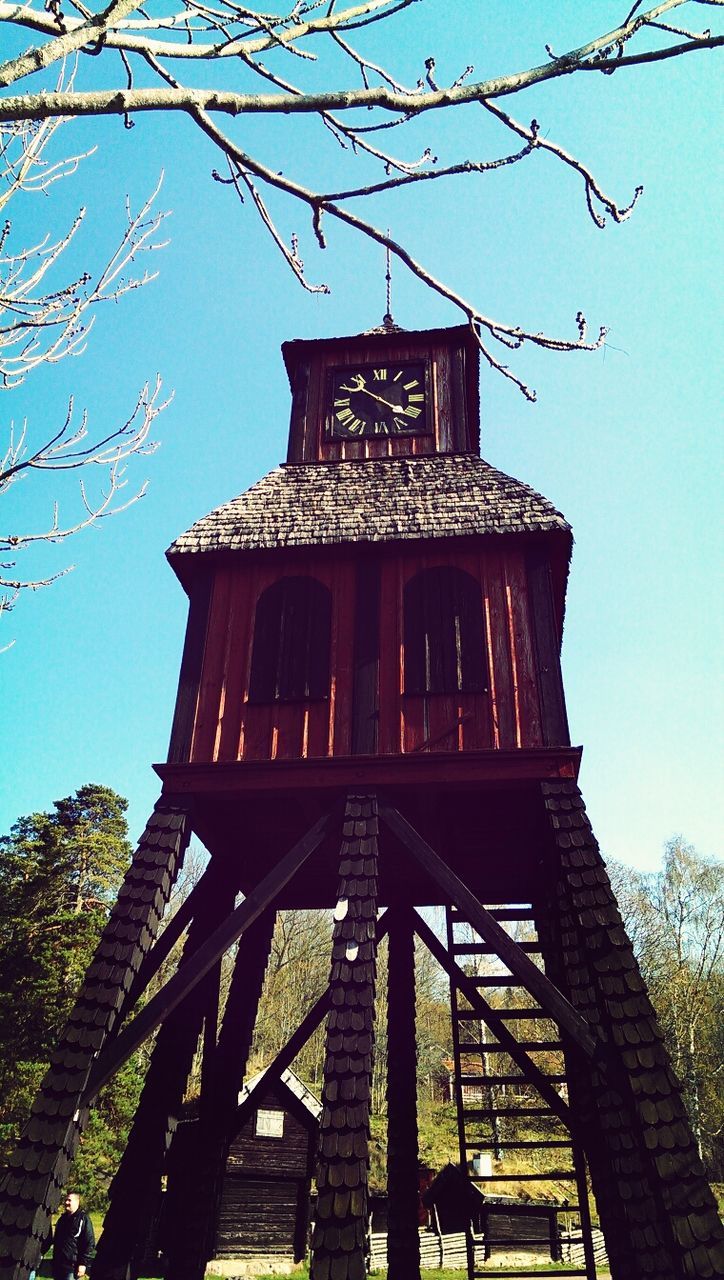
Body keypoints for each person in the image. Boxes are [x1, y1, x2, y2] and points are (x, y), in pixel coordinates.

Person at [52, 1191, 95, 1280]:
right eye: (65, 1200)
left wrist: (83, 1264)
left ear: (77, 1202)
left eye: (69, 1200)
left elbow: (89, 1242)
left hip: (72, 1267)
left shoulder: (83, 1219)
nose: (66, 1202)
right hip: (58, 1265)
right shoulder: (62, 1219)